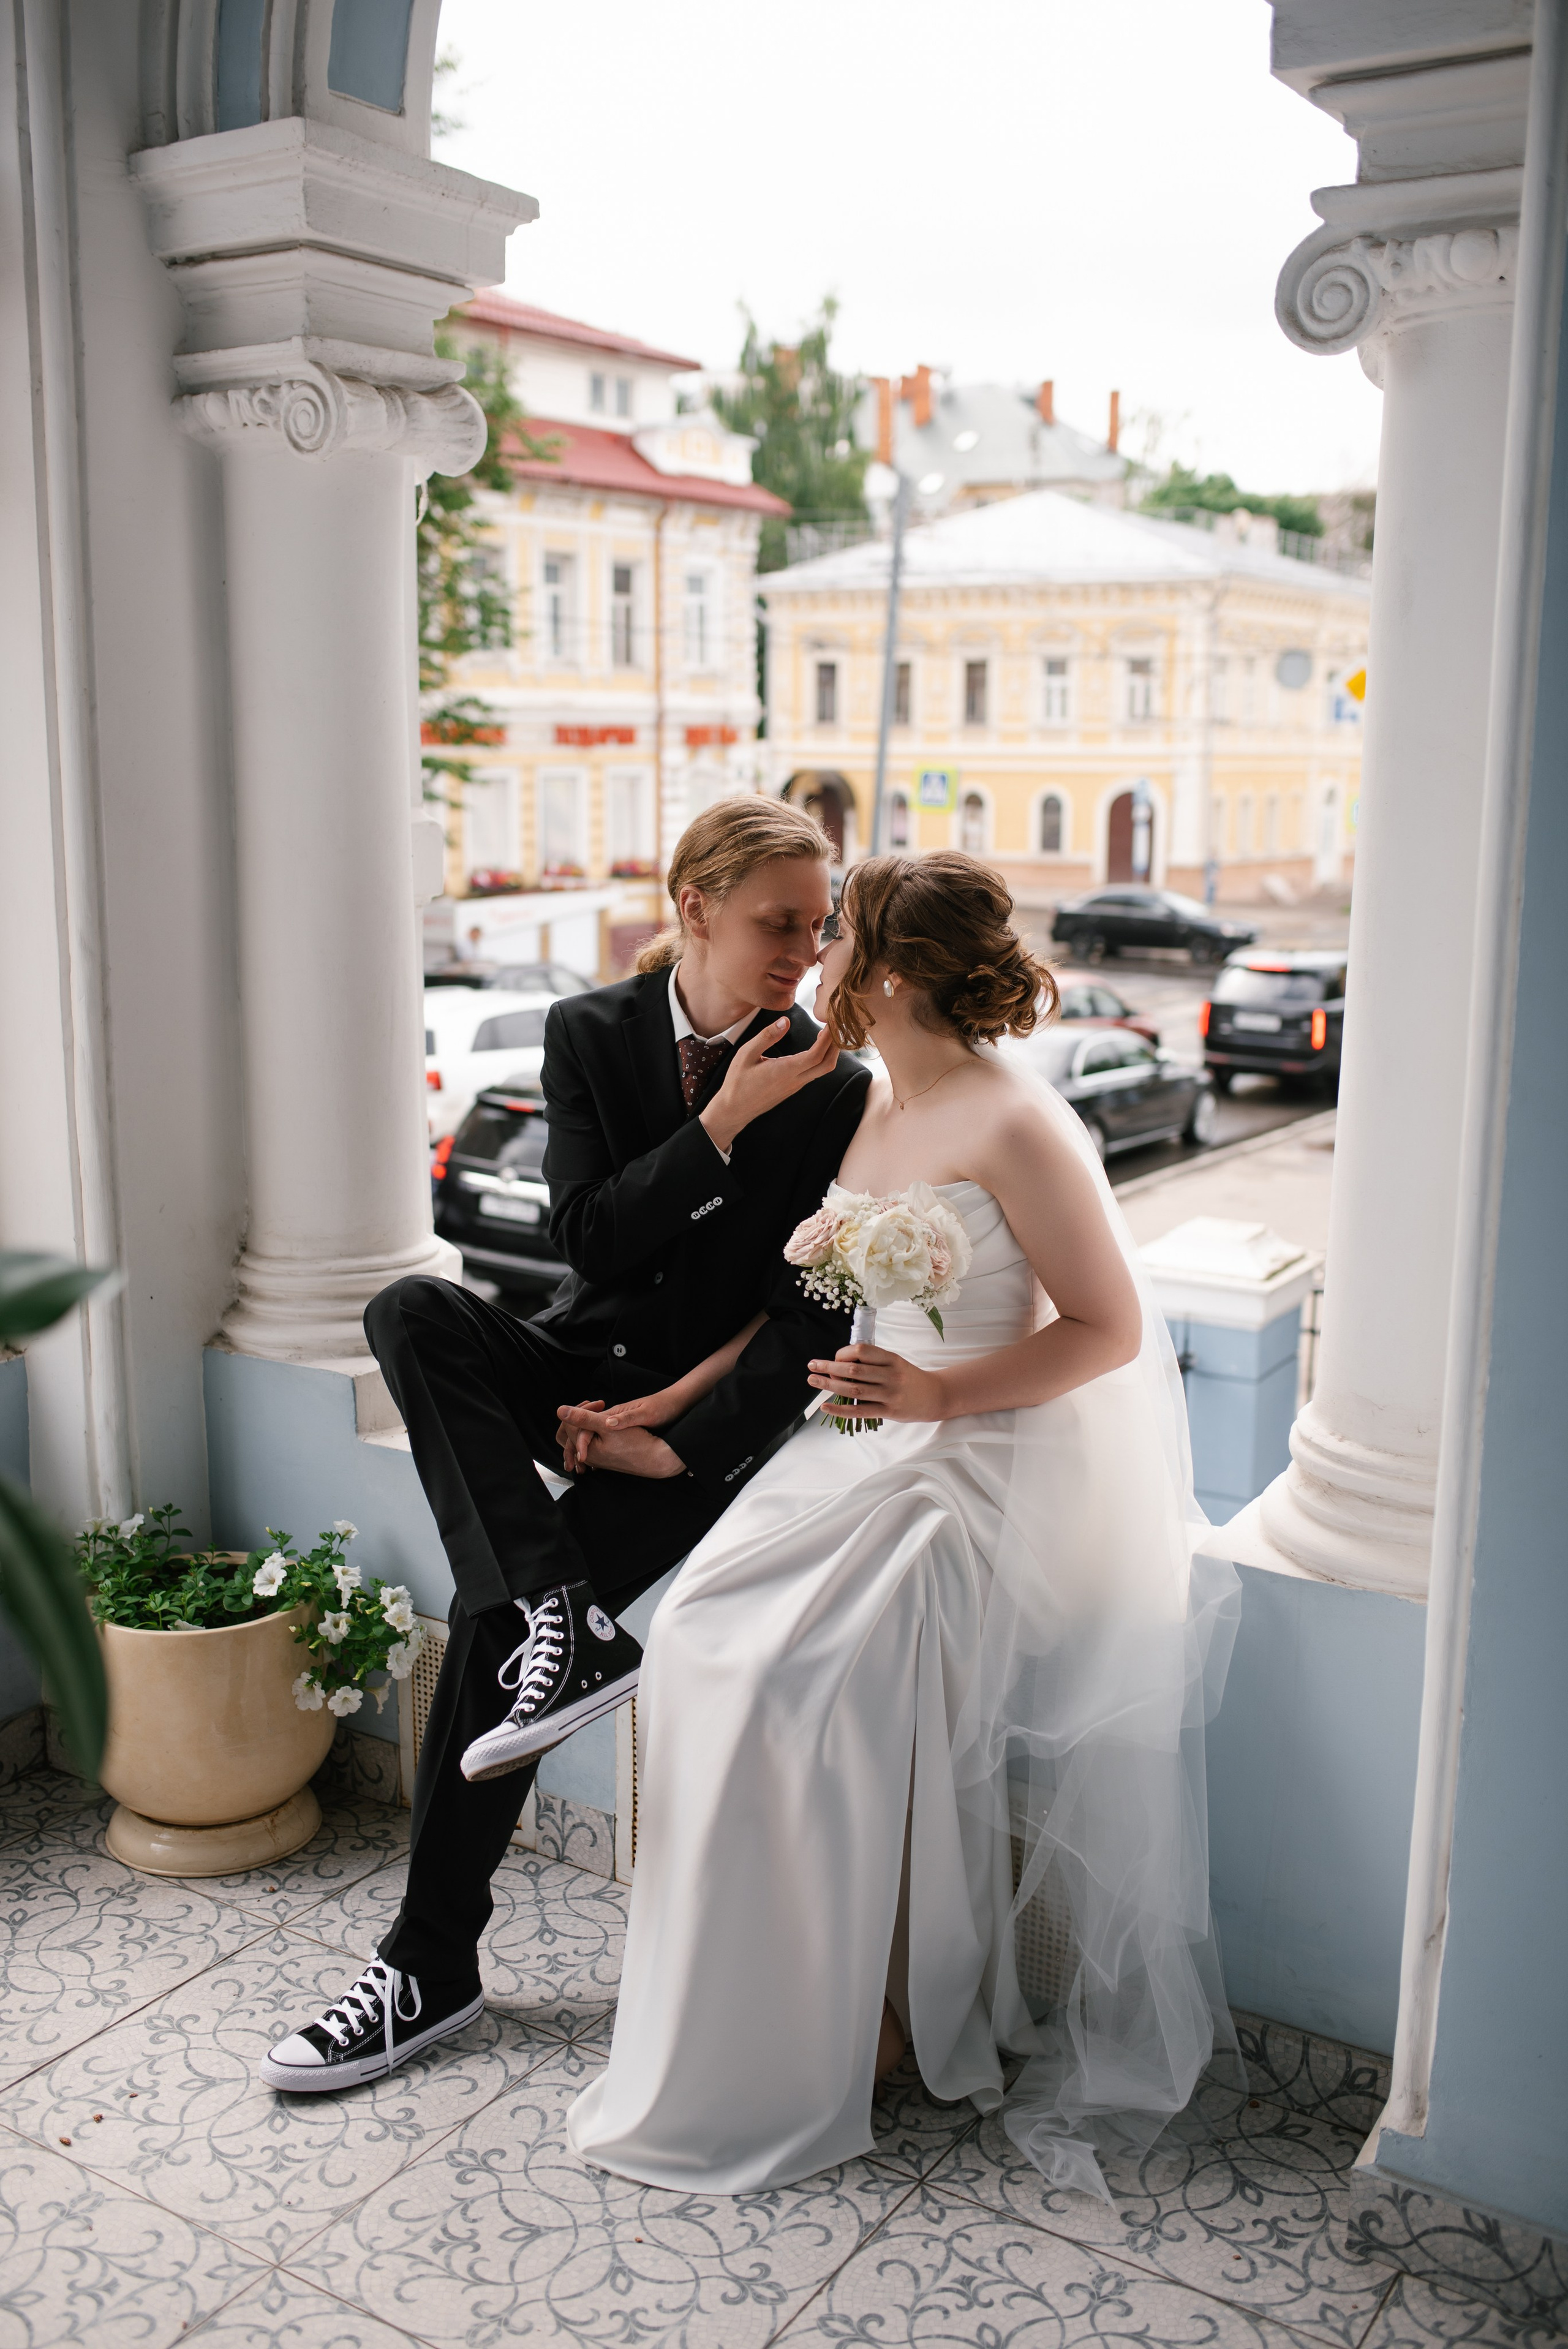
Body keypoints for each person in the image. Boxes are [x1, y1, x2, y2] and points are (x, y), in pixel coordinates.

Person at [567, 851, 1241, 2203]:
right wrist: (690, 1397)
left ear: (882, 970)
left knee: (783, 1675)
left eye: (832, 945)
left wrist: (937, 1392)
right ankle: (744, 2009)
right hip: (859, 1437)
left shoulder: (1015, 1123)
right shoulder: (871, 1101)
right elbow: (808, 1307)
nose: (810, 965)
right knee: (697, 1634)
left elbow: (1106, 1331)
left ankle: (861, 2018)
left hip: (975, 1459)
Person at [260, 798, 869, 2094]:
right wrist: (715, 1131)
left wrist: (678, 1441)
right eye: (777, 924)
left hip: (700, 1421)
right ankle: (562, 1613)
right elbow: (588, 1240)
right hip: (577, 1365)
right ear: (693, 905)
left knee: (490, 1639)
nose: (801, 955)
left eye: (816, 930)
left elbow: (806, 1305)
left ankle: (427, 1968)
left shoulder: (834, 1080)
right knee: (410, 1307)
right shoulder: (587, 1029)